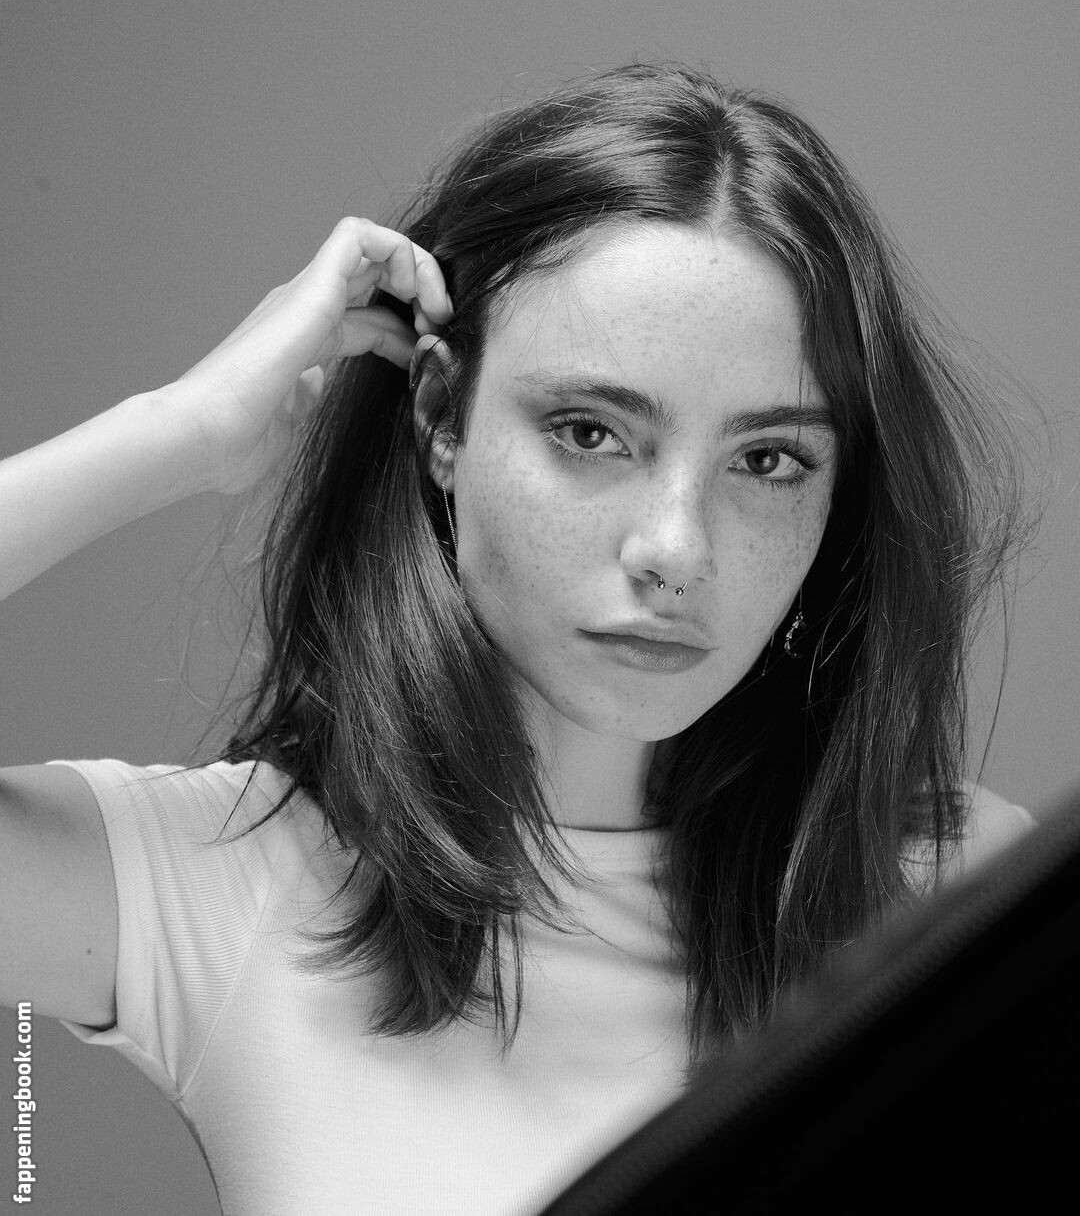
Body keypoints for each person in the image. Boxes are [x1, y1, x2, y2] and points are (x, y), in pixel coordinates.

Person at [0, 62, 1036, 1215]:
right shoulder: (227, 886)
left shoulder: (953, 898)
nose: (674, 549)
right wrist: (178, 429)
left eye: (767, 459)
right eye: (591, 432)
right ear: (441, 416)